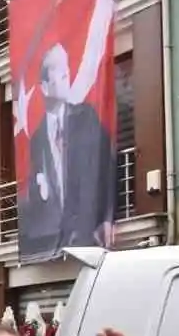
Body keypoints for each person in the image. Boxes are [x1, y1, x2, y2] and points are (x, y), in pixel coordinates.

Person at [20, 44, 116, 255]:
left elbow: (107, 166)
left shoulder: (86, 117)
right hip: (54, 243)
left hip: (89, 235)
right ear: (45, 86)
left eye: (66, 66)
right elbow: (39, 195)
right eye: (58, 68)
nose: (66, 72)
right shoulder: (37, 139)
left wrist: (107, 217)